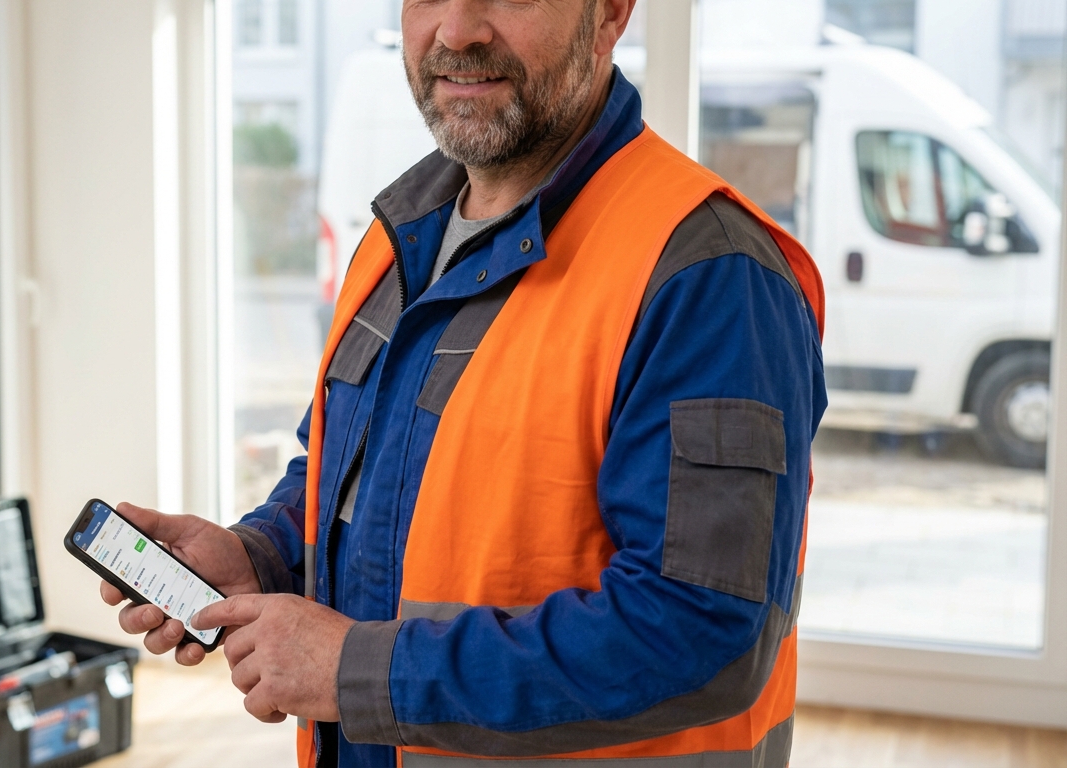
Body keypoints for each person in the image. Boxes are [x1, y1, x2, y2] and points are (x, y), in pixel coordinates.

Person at [100, 0, 826, 765]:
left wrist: (355, 671)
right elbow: (360, 477)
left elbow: (697, 630)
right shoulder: (398, 237)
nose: (457, 30)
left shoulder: (707, 275)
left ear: (611, 12)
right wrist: (263, 555)